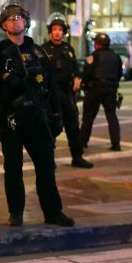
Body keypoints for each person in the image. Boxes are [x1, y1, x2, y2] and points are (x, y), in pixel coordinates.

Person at [0, 1, 73, 228]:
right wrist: (5, 78)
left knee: (46, 166)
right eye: (10, 18)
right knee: (13, 167)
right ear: (3, 24)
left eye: (19, 17)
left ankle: (53, 212)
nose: (15, 21)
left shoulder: (38, 52)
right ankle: (16, 213)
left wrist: (57, 115)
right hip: (10, 118)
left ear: (26, 21)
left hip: (37, 117)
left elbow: (52, 89)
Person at [42, 14, 92, 168]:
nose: (57, 32)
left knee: (73, 126)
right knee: (51, 127)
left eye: (60, 30)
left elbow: (75, 69)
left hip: (67, 93)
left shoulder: (68, 49)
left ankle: (77, 157)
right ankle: (48, 159)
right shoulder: (43, 49)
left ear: (64, 32)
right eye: (54, 29)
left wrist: (77, 78)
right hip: (50, 95)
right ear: (50, 31)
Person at [80, 32, 122, 152]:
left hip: (96, 89)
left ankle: (82, 142)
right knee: (111, 116)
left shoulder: (94, 56)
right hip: (111, 89)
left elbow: (87, 73)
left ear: (97, 44)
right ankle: (116, 143)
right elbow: (119, 74)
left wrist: (84, 85)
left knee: (88, 116)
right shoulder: (116, 56)